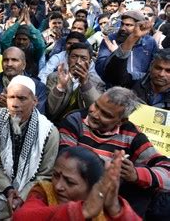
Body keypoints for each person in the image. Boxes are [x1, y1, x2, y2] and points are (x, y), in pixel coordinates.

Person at [58, 87, 170, 218]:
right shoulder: (75, 120)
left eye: (106, 114)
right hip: (73, 196)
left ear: (121, 121)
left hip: (108, 202)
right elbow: (67, 161)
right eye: (96, 105)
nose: (94, 114)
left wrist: (135, 174)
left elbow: (167, 172)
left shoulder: (132, 134)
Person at [0, 75, 59, 219]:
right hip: (2, 183)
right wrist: (9, 190)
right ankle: (17, 214)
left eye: (22, 98)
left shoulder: (49, 132)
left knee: (46, 202)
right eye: (11, 97)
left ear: (35, 101)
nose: (14, 104)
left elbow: (44, 175)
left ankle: (14, 212)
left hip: (31, 188)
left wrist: (22, 196)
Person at [13, 147, 141, 221]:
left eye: (70, 182)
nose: (58, 186)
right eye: (56, 176)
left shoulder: (106, 204)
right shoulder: (44, 191)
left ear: (92, 188)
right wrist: (82, 211)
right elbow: (21, 217)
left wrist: (114, 208)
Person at [0, 47, 47, 129]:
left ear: (24, 65)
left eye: (14, 60)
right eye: (5, 60)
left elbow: (39, 120)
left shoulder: (37, 87)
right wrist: (0, 111)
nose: (9, 64)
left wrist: (12, 110)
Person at [46, 42, 105, 122]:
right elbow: (50, 110)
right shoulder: (55, 77)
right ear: (68, 59)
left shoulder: (97, 82)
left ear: (90, 62)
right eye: (74, 57)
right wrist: (61, 86)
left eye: (83, 58)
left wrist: (85, 84)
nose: (78, 62)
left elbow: (97, 112)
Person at [96, 10, 157, 82]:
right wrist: (116, 54)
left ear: (141, 27)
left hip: (139, 87)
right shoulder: (111, 40)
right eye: (122, 24)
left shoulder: (150, 42)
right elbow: (99, 69)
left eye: (128, 25)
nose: (122, 28)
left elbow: (154, 71)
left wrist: (133, 78)